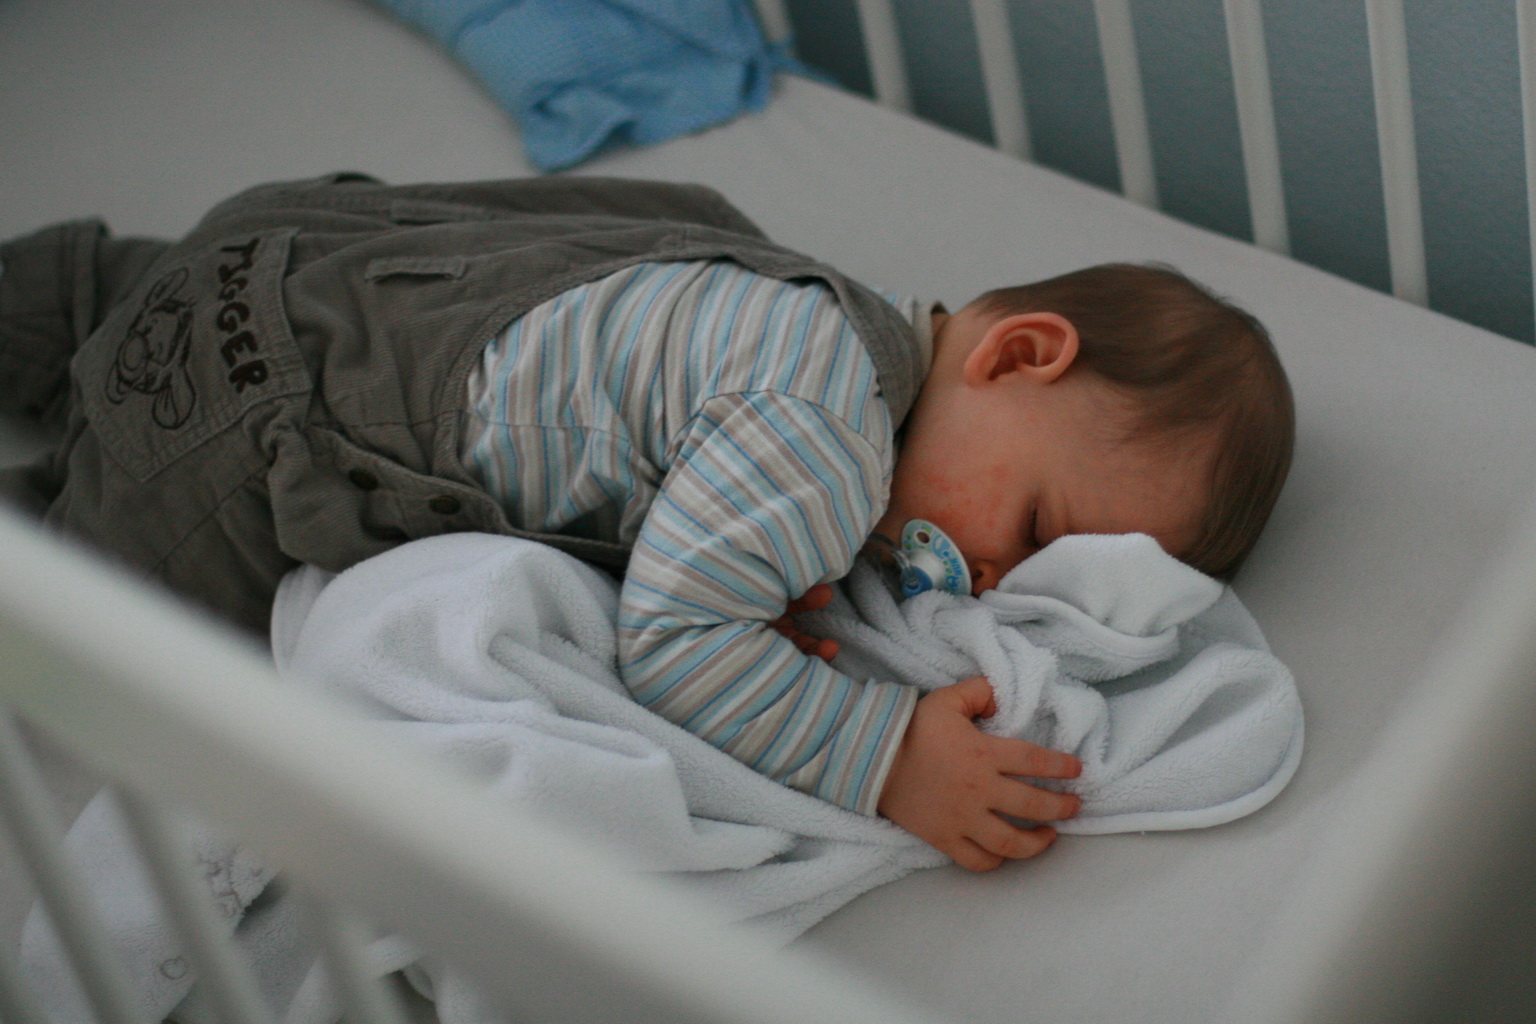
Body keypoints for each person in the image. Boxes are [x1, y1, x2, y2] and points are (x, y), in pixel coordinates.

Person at [0, 174, 1293, 872]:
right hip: (239, 427)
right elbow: (676, 644)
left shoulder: (795, 301)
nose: (996, 578)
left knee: (83, 304)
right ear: (1018, 355)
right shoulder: (825, 438)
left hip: (285, 255)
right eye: (1036, 523)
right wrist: (886, 754)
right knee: (72, 613)